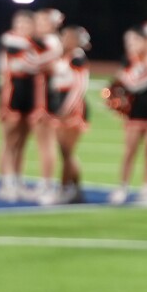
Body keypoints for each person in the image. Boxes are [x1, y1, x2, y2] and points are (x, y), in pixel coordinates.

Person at [109, 24, 147, 206]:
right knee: (129, 151)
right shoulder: (127, 61)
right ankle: (122, 187)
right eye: (127, 41)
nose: (130, 44)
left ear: (144, 41)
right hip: (135, 112)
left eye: (134, 40)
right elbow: (127, 85)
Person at [0, 10, 37, 201]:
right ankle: (6, 182)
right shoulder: (9, 39)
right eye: (18, 23)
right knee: (8, 140)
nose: (22, 27)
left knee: (22, 141)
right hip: (11, 91)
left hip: (29, 93)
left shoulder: (35, 43)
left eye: (26, 23)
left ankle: (18, 181)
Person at [50, 24, 92, 204]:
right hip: (63, 103)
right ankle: (75, 190)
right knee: (64, 151)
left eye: (67, 37)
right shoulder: (64, 56)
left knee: (67, 151)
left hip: (73, 108)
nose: (63, 40)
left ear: (76, 40)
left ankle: (65, 189)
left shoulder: (77, 59)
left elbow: (79, 87)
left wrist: (65, 110)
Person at [28, 8, 65, 206]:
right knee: (42, 144)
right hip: (41, 96)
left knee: (47, 144)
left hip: (49, 98)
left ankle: (49, 186)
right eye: (37, 22)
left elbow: (33, 63)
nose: (38, 26)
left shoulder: (51, 42)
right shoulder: (44, 43)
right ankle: (44, 183)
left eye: (43, 22)